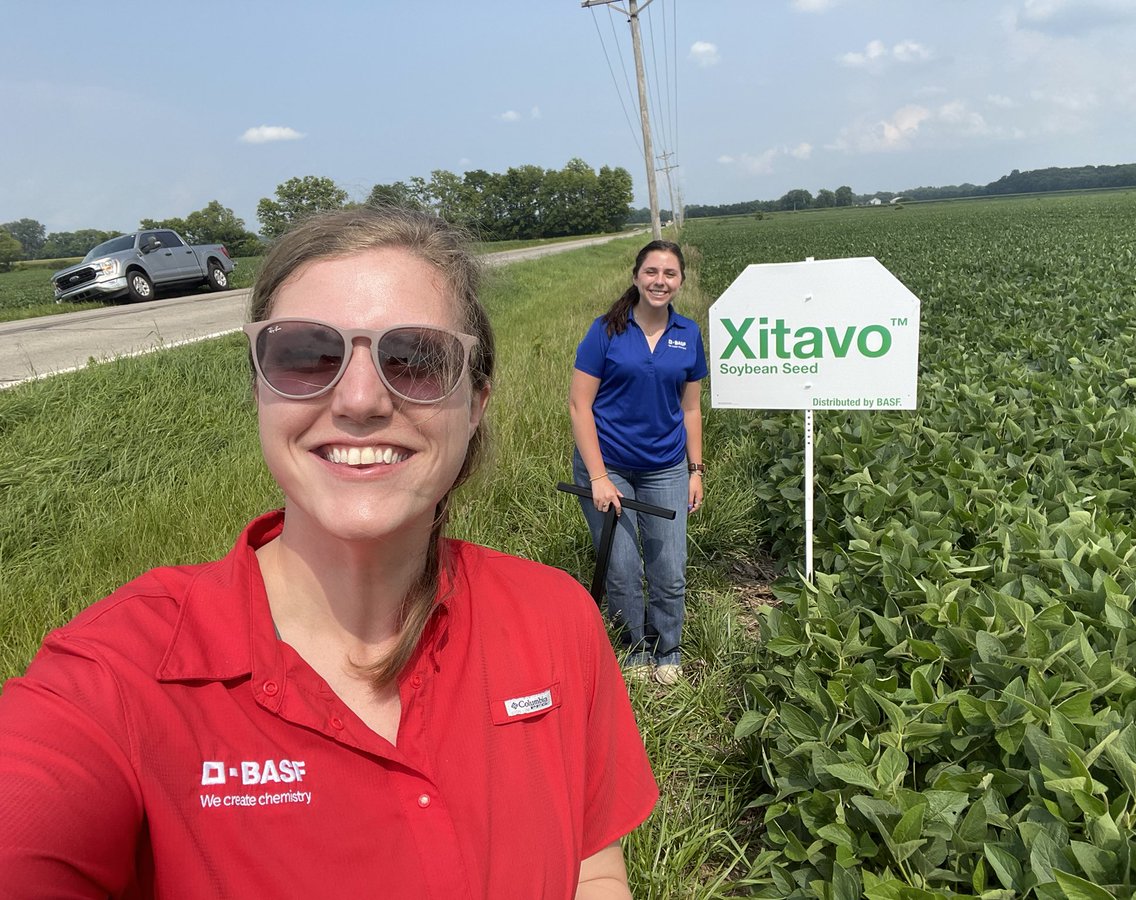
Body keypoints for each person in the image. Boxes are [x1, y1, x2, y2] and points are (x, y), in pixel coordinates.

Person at [0, 207, 658, 899]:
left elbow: (593, 865)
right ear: (259, 386)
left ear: (476, 403)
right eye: (306, 354)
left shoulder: (554, 618)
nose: (360, 398)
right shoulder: (120, 675)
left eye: (416, 359)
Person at [569, 240, 708, 687]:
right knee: (622, 568)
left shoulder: (688, 334)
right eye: (651, 272)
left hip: (666, 468)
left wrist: (695, 470)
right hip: (607, 468)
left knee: (669, 568)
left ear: (680, 281)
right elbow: (579, 405)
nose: (660, 281)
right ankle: (634, 652)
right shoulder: (606, 331)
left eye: (669, 274)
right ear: (636, 277)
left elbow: (690, 410)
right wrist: (597, 476)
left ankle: (669, 648)